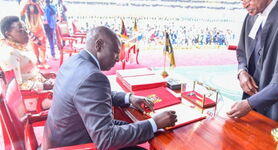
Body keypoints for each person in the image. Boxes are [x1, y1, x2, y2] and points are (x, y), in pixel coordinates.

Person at [42, 26, 177, 150]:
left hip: (60, 139)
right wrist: (154, 123)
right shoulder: (93, 76)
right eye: (115, 52)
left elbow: (91, 95)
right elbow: (107, 139)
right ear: (99, 45)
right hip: (75, 145)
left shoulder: (73, 61)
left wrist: (129, 98)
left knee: (127, 126)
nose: (118, 58)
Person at [227, 0, 278, 126]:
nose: (244, 5)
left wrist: (250, 103)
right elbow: (242, 51)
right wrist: (242, 71)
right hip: (252, 105)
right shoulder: (252, 16)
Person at [0, 16, 54, 110]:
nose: (26, 33)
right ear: (8, 34)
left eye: (25, 29)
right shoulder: (9, 53)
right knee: (70, 100)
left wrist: (45, 80)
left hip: (38, 89)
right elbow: (16, 86)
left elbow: (31, 72)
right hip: (30, 99)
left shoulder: (20, 46)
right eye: (20, 30)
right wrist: (44, 86)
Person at [20, 0, 49, 69]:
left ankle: (44, 61)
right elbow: (21, 13)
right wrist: (27, 4)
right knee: (34, 47)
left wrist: (36, 4)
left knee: (43, 47)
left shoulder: (38, 2)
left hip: (40, 29)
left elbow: (42, 13)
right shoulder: (24, 3)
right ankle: (37, 61)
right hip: (30, 30)